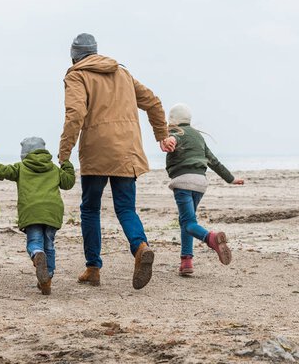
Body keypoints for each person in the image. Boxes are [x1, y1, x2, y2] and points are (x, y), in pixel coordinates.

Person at [58, 33, 176, 290]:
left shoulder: (76, 75)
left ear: (74, 56)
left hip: (97, 151)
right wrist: (162, 135)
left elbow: (75, 114)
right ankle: (140, 246)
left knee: (90, 209)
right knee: (126, 208)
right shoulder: (122, 74)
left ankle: (93, 268)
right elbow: (154, 102)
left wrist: (64, 154)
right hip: (127, 151)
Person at [0, 137, 76, 295]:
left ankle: (36, 254)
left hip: (32, 212)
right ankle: (47, 279)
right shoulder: (54, 169)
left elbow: (1, 170)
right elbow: (68, 182)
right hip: (52, 212)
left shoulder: (21, 167)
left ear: (23, 154)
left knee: (35, 243)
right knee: (50, 246)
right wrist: (65, 163)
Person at [166, 103, 244, 276]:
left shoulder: (175, 132)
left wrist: (170, 140)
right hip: (200, 183)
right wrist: (231, 179)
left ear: (172, 120)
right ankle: (186, 262)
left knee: (188, 223)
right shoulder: (198, 137)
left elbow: (174, 140)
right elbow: (213, 161)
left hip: (183, 183)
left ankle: (211, 238)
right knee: (186, 221)